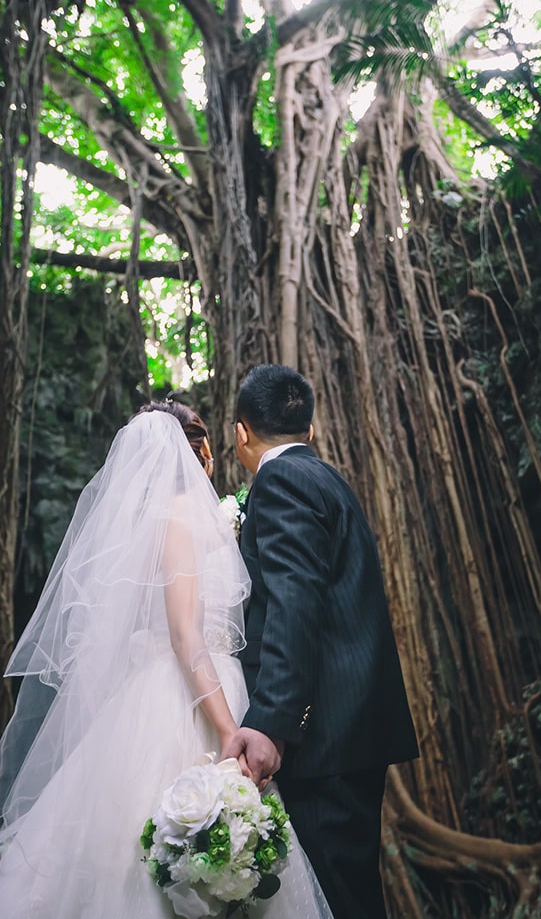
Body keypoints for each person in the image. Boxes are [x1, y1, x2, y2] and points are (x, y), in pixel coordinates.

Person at [0, 402, 331, 918]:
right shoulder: (177, 516)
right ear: (195, 451)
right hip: (191, 699)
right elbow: (184, 637)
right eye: (202, 447)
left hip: (208, 685)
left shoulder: (183, 518)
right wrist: (227, 733)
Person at [226, 364, 419, 919]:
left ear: (242, 433)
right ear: (309, 430)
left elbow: (295, 604)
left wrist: (270, 722)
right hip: (353, 730)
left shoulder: (280, 482)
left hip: (323, 740)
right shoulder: (329, 478)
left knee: (338, 898)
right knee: (350, 890)